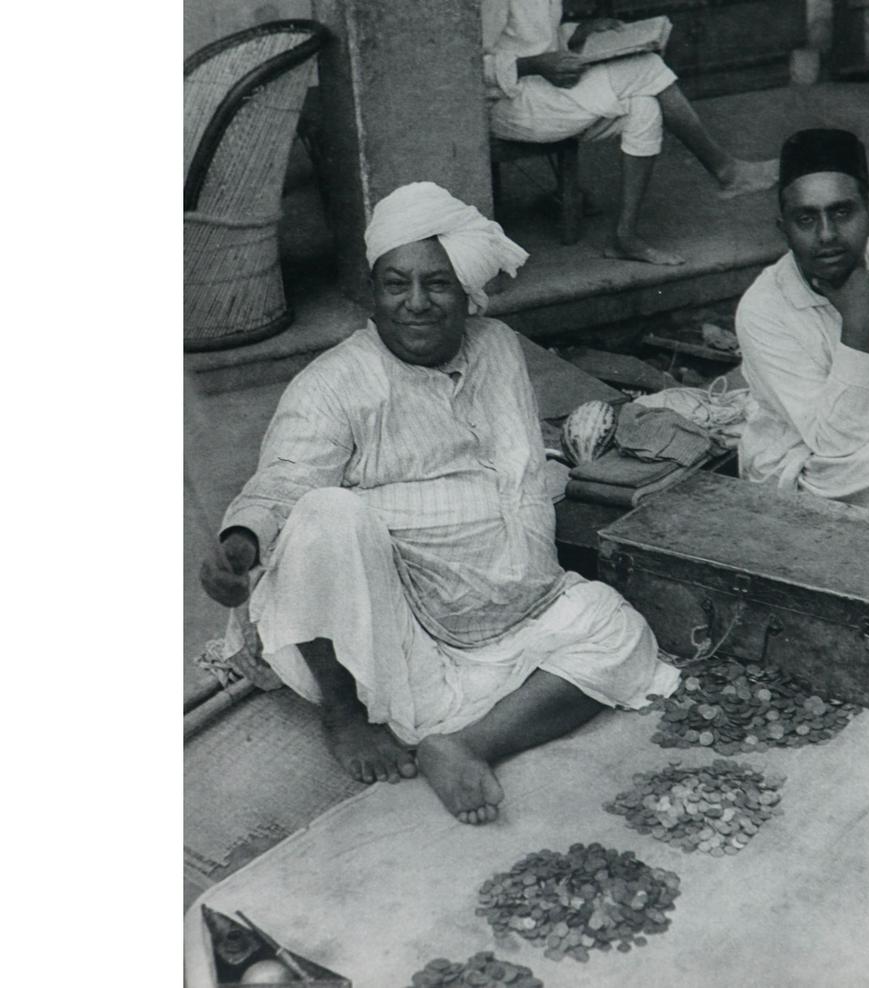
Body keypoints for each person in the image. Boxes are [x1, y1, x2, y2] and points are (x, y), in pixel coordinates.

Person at [199, 182, 679, 825]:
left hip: (515, 611)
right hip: (395, 639)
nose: (417, 304)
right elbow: (283, 482)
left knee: (619, 632)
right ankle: (346, 717)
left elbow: (515, 468)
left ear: (467, 294)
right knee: (325, 514)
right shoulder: (334, 383)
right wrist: (241, 545)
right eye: (397, 285)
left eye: (438, 285)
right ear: (374, 292)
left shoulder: (499, 348)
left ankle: (462, 745)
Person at [479, 0, 777, 266]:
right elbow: (469, 68)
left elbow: (536, 36)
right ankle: (726, 170)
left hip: (545, 91)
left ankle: (625, 237)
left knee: (645, 107)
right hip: (507, 105)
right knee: (648, 69)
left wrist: (582, 30)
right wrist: (536, 65)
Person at [734, 128, 869, 517]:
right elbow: (837, 442)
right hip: (817, 465)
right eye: (806, 219)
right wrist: (857, 328)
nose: (827, 235)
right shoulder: (763, 310)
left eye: (841, 212)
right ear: (783, 229)